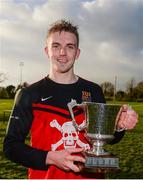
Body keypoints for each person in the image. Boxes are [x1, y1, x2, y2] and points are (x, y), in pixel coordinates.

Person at [3, 19, 138, 179]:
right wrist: (50, 157)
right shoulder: (29, 94)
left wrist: (120, 126)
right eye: (56, 46)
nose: (62, 52)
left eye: (70, 46)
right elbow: (11, 147)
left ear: (77, 53)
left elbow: (108, 138)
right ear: (47, 51)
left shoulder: (93, 91)